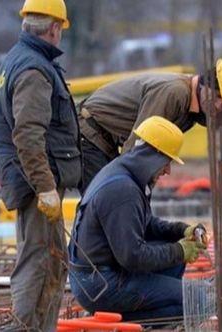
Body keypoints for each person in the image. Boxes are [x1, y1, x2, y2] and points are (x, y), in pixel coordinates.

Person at [0, 0, 80, 329]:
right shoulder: (33, 69)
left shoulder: (22, 59)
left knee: (53, 262)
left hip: (35, 182)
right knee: (38, 266)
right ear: (55, 28)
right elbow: (27, 136)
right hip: (35, 186)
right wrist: (44, 188)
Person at [69, 116, 206, 321]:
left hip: (101, 274)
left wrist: (181, 231)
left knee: (175, 261)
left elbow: (146, 224)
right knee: (197, 300)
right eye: (167, 161)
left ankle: (132, 310)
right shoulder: (122, 190)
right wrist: (179, 250)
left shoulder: (127, 174)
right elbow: (133, 257)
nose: (168, 170)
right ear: (154, 156)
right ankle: (120, 320)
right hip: (99, 284)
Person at [78, 58, 222, 193]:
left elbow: (155, 153)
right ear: (205, 83)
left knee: (113, 199)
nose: (217, 106)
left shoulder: (191, 110)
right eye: (216, 96)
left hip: (106, 138)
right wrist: (137, 193)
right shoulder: (175, 94)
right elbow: (138, 145)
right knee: (105, 200)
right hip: (91, 131)